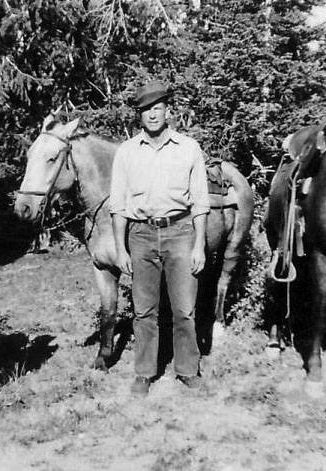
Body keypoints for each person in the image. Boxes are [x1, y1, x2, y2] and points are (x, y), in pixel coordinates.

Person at [109, 80, 209, 397]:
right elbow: (118, 205)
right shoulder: (126, 152)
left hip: (181, 231)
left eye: (157, 108)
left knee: (183, 309)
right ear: (139, 115)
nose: (152, 115)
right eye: (145, 110)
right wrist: (120, 248)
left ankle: (187, 370)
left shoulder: (189, 149)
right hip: (141, 234)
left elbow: (201, 202)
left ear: (167, 110)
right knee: (143, 311)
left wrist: (199, 245)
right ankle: (144, 373)